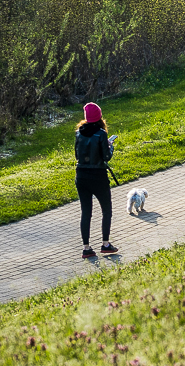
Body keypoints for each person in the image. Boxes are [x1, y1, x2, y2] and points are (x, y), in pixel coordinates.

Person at [75, 102, 118, 259]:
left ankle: (86, 248)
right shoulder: (101, 134)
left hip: (81, 176)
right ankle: (105, 244)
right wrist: (110, 146)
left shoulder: (78, 133)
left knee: (86, 212)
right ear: (99, 117)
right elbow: (106, 157)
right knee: (106, 210)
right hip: (98, 176)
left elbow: (77, 155)